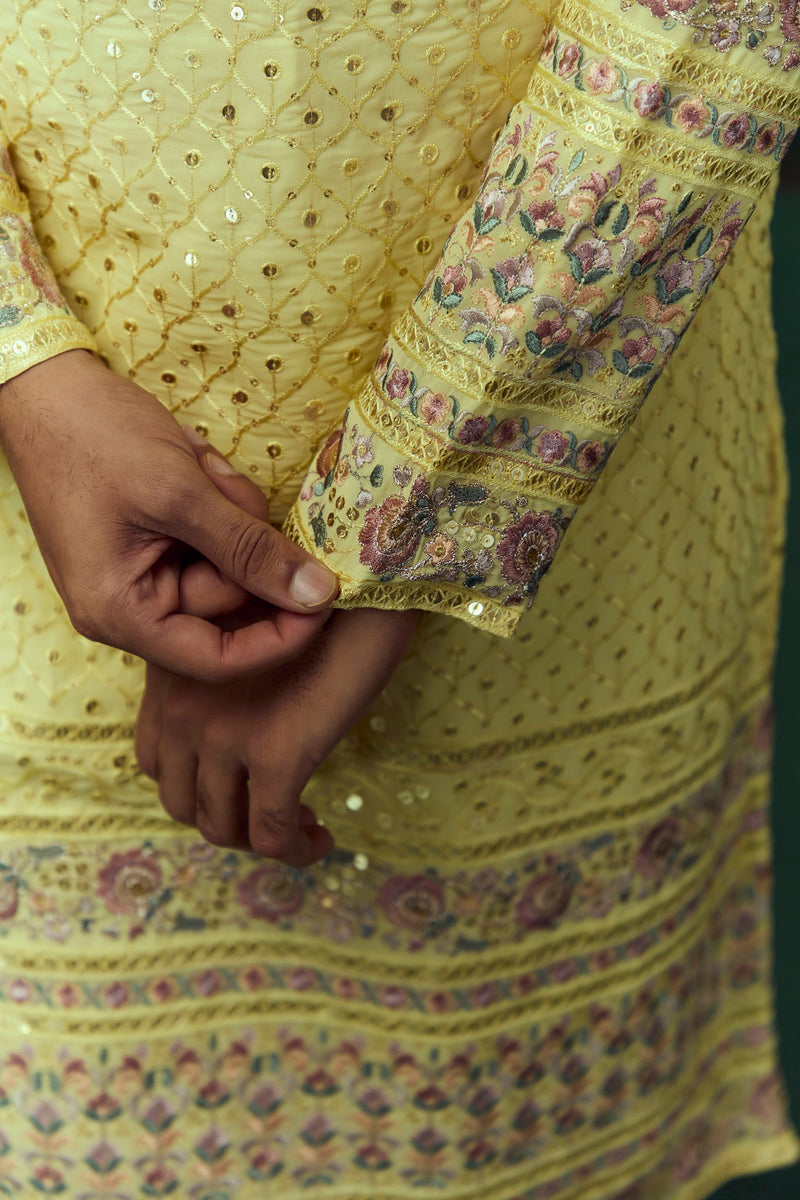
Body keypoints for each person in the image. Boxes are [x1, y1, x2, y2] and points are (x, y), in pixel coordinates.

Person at [0, 0, 797, 1195]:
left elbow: (708, 27)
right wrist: (25, 363)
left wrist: (397, 536)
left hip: (558, 578)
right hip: (39, 568)